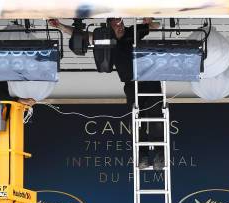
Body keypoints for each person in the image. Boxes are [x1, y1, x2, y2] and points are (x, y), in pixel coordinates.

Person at [48, 18, 165, 169]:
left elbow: (156, 25)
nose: (120, 27)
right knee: (137, 119)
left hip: (150, 79)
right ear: (109, 27)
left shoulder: (132, 32)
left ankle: (159, 155)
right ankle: (141, 155)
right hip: (131, 84)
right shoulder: (105, 37)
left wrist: (150, 21)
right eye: (116, 25)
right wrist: (61, 26)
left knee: (156, 116)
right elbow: (82, 35)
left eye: (121, 24)